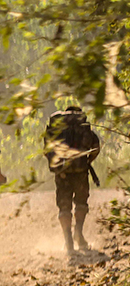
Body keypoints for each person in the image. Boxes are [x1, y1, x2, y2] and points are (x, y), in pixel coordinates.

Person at [44, 105, 101, 253]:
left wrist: (57, 164)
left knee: (64, 207)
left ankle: (68, 240)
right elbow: (96, 147)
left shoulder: (58, 128)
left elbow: (47, 150)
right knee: (81, 203)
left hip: (62, 173)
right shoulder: (83, 127)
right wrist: (88, 161)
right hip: (81, 171)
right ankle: (78, 233)